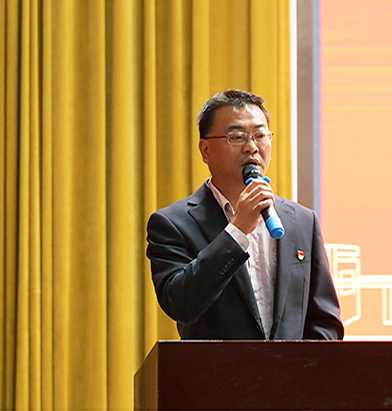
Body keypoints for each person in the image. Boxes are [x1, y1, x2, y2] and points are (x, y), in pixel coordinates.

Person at [146, 89, 344, 340]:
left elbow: (325, 321)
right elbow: (180, 304)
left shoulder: (302, 221)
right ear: (205, 150)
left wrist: (304, 363)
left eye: (260, 136)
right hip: (218, 367)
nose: (252, 147)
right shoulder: (173, 224)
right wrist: (236, 231)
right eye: (237, 137)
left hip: (294, 367)